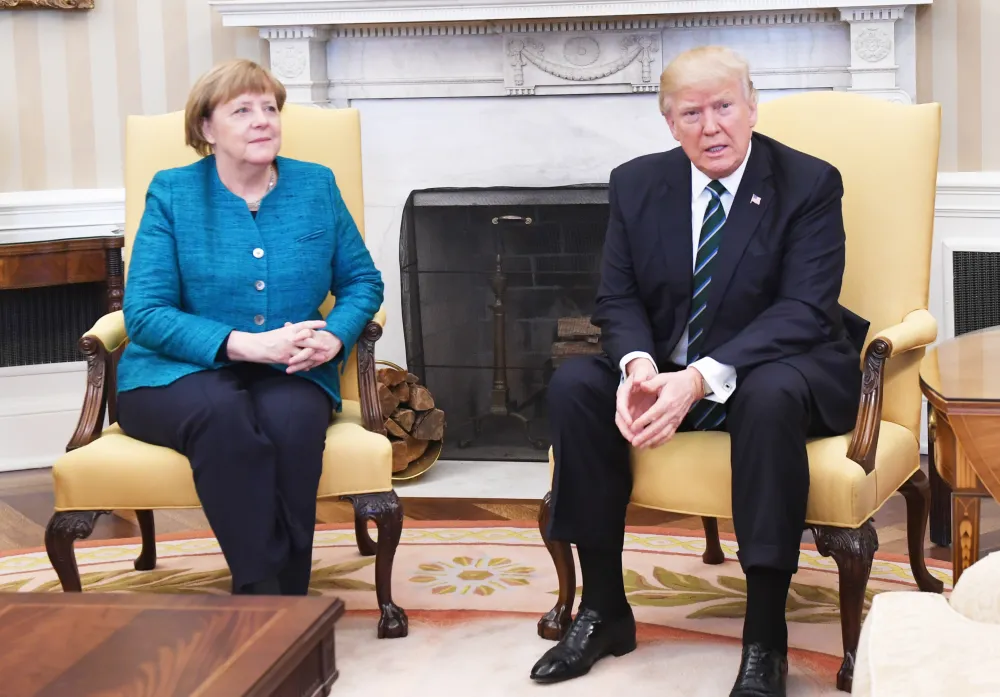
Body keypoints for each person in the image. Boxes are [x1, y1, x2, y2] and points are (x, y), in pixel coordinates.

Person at [529, 46, 869, 696]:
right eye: (692, 112)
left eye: (724, 106)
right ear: (670, 122)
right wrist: (638, 369)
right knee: (576, 384)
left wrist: (697, 379)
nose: (711, 125)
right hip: (670, 364)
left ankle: (765, 639)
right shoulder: (636, 183)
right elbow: (617, 298)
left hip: (781, 364)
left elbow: (804, 308)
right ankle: (603, 610)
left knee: (766, 398)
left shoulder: (809, 182)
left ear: (751, 107)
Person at [115, 59, 384, 596]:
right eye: (242, 110)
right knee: (224, 416)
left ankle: (282, 602)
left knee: (291, 425)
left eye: (269, 108)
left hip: (294, 369)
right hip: (174, 375)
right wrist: (243, 345)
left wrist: (335, 336)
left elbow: (362, 282)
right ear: (207, 129)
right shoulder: (172, 193)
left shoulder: (315, 185)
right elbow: (143, 312)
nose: (263, 120)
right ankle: (269, 599)